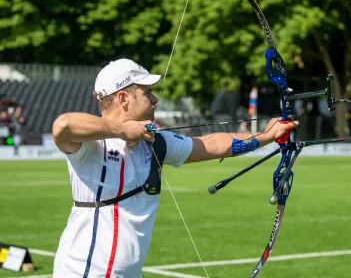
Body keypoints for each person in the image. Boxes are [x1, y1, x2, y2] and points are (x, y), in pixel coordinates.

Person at [52, 58, 299, 278]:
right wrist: (123, 130)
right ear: (123, 98)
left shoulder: (154, 142)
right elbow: (63, 125)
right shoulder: (91, 146)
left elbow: (212, 144)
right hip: (83, 271)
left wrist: (267, 135)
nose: (155, 98)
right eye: (147, 92)